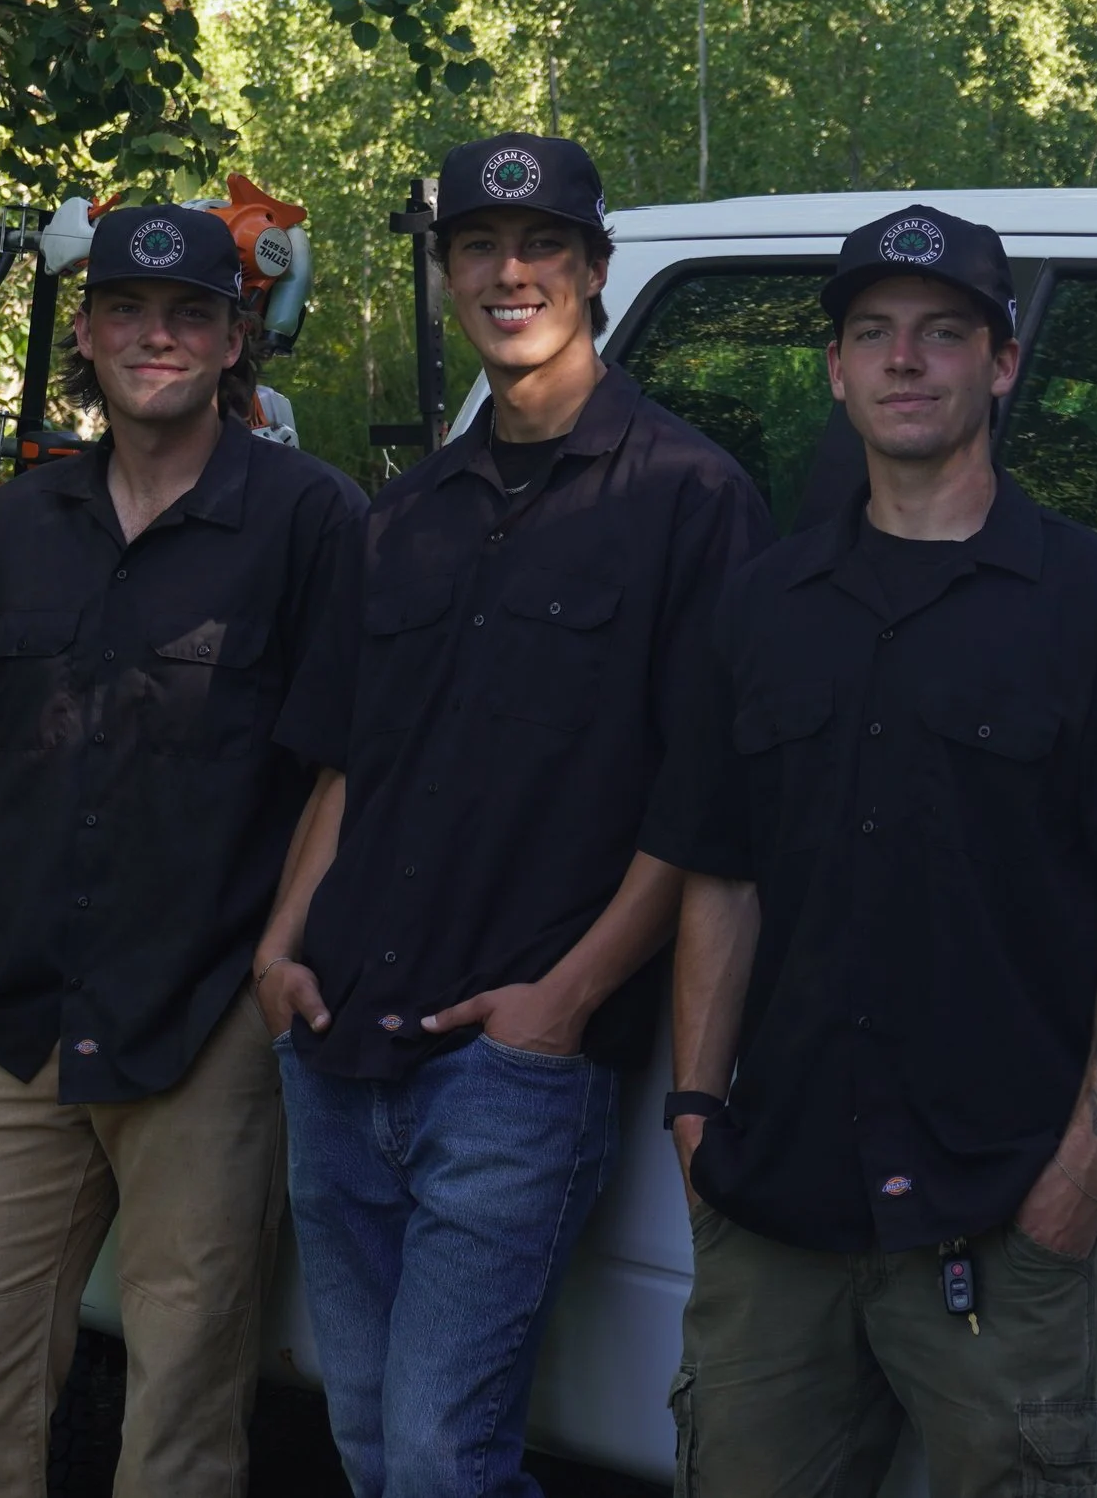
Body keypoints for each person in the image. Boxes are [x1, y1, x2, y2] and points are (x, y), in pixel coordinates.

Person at [644, 205, 1097, 1497]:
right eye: (873, 333)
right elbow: (721, 874)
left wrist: (1082, 1170)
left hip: (1001, 1208)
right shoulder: (758, 606)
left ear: (1003, 362)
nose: (906, 359)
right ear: (837, 371)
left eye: (943, 333)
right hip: (777, 1206)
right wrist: (695, 1114)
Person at [254, 134, 771, 1498]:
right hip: (333, 1039)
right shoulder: (405, 513)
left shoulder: (693, 500)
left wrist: (563, 1005)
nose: (509, 272)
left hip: (510, 1068)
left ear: (596, 272)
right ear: (447, 277)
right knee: (367, 1441)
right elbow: (347, 763)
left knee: (440, 1455)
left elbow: (705, 808)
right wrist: (279, 945)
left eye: (542, 246)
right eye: (478, 247)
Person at [0, 203, 363, 1496]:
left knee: (184, 1413)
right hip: (9, 1024)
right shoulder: (22, 520)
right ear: (87, 334)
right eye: (127, 312)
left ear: (234, 341)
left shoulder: (312, 519)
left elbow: (346, 766)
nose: (156, 335)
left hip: (202, 1027)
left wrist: (274, 956)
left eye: (190, 315)